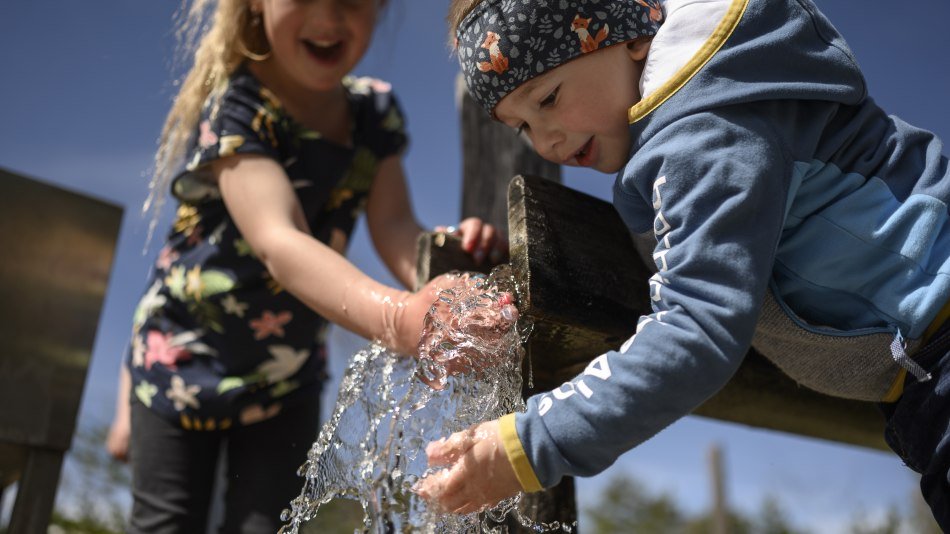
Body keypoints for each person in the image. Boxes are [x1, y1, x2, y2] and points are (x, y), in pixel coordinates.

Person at [416, 0, 950, 528]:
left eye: (549, 98)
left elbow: (695, 325)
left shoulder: (704, 135)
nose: (546, 141)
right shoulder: (714, 112)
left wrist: (528, 444)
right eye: (522, 127)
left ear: (630, 39)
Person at [104, 0, 513, 532]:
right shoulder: (239, 106)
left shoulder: (373, 114)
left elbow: (393, 226)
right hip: (181, 362)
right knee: (168, 522)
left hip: (286, 377)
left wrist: (444, 255)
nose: (329, 16)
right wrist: (401, 319)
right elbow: (281, 239)